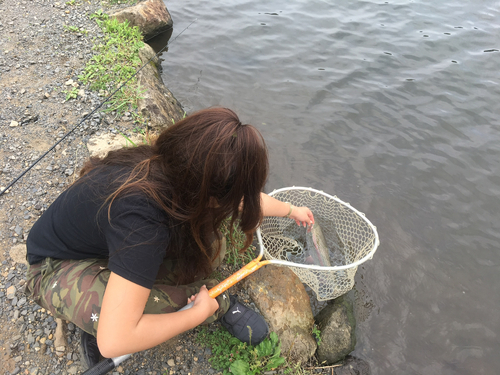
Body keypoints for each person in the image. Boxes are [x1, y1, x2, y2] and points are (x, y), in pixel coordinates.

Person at [25, 107, 314, 368]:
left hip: (107, 244)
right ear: (207, 192)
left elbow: (242, 200)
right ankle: (213, 303)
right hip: (55, 267)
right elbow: (113, 341)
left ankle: (122, 296)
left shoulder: (172, 165)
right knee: (163, 305)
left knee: (212, 251)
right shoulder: (143, 223)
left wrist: (291, 210)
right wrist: (195, 315)